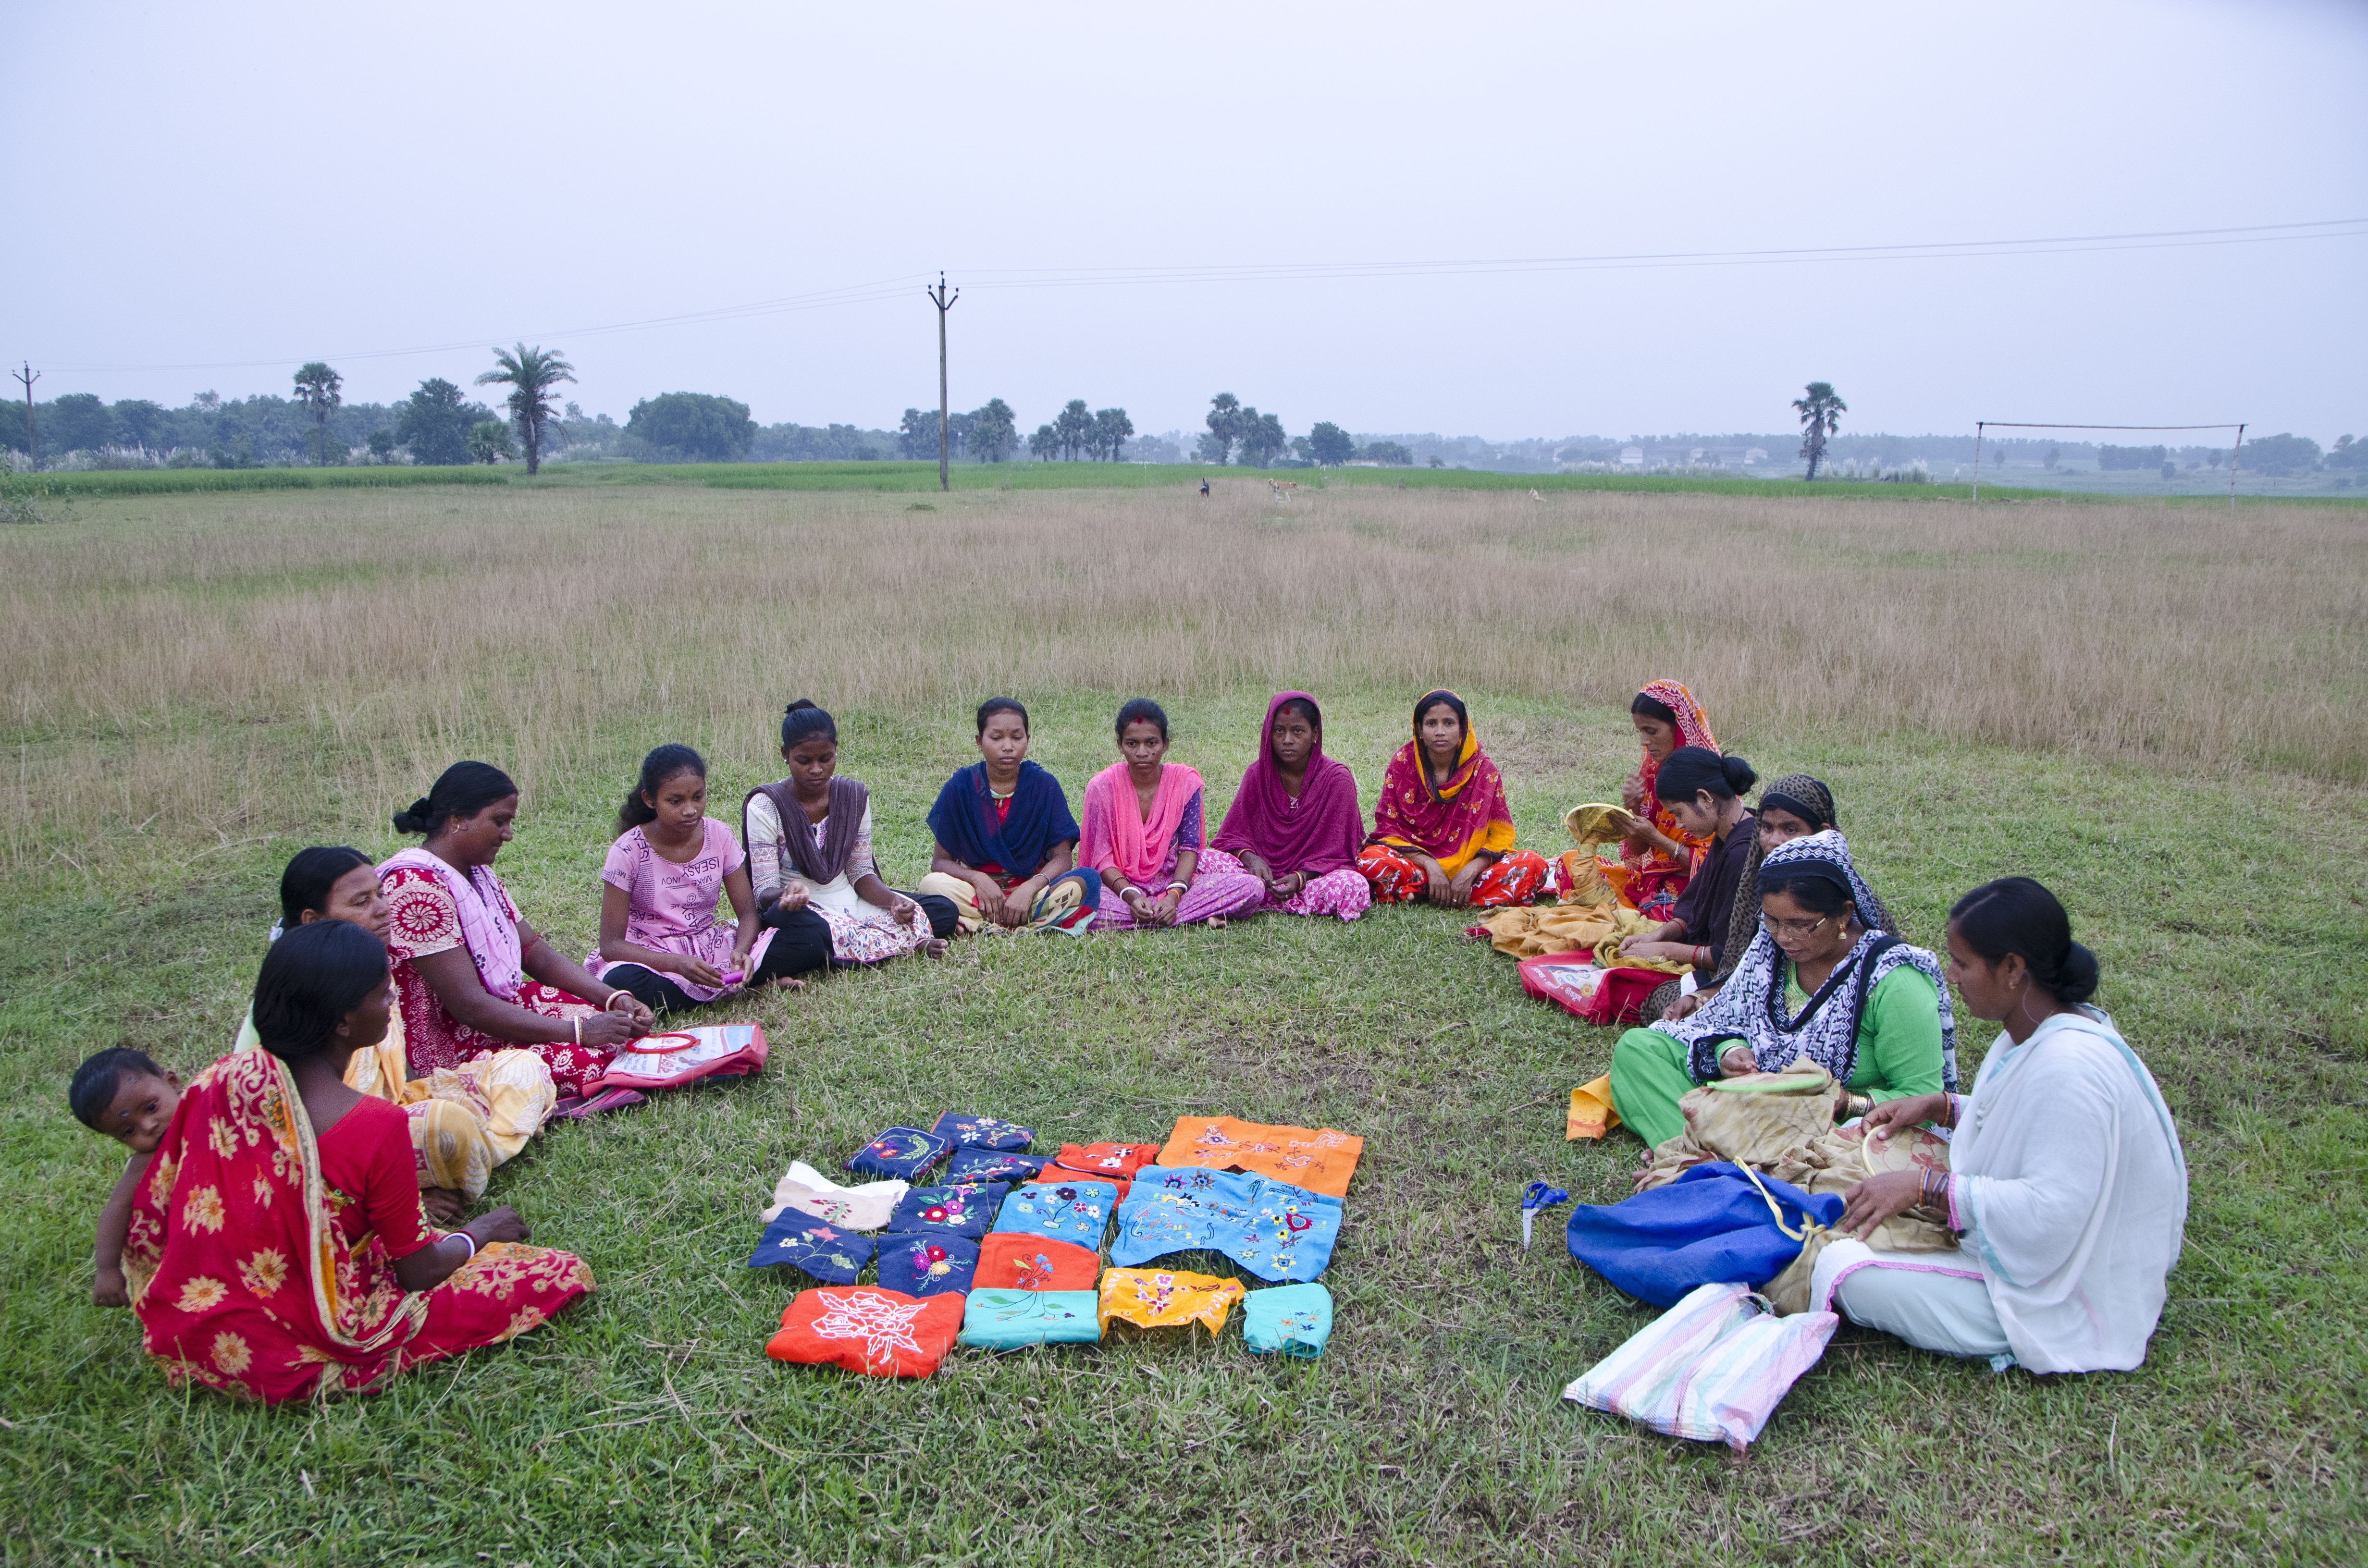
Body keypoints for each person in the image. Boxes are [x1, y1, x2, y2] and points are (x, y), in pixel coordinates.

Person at [124, 920, 592, 1403]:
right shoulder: (375, 1124)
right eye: (380, 994)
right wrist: (480, 1233)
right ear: (342, 1022)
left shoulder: (223, 1078)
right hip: (299, 1326)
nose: (392, 1001)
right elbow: (419, 1273)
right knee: (556, 1273)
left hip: (202, 1319)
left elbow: (167, 1194)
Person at [1818, 878, 2187, 1373]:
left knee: (1842, 1268)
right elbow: (2030, 1119)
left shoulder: (2070, 1066)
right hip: (2051, 1261)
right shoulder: (2043, 1028)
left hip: (2069, 1295)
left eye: (1963, 964)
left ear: (2012, 969)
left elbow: (2052, 1215)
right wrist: (1941, 1106)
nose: (1951, 976)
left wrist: (1924, 1187)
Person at [234, 846, 557, 1222]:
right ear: (312, 919)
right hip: (330, 1146)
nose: (383, 908)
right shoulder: (300, 991)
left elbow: (391, 1084)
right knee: (446, 1126)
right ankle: (410, 1181)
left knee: (523, 1069)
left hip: (386, 1114)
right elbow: (290, 1135)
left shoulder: (367, 965)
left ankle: (443, 1160)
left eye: (380, 895)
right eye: (361, 902)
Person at [1607, 830, 1956, 1150]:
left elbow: (1923, 1098)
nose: (1784, 937)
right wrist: (1730, 1051)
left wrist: (1844, 1101)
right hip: (1756, 1101)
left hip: (1831, 1126)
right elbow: (1727, 1020)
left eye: (1801, 925)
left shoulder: (1894, 980)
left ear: (1844, 915)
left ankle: (1703, 1159)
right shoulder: (1770, 949)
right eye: (1772, 921)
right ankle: (1708, 1156)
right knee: (1641, 1049)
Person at [381, 762, 654, 1099]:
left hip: (494, 1012)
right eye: (499, 821)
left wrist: (613, 998)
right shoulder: (415, 888)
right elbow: (468, 1006)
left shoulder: (477, 875)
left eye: (509, 822)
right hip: (448, 1042)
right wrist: (578, 1032)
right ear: (456, 819)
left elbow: (535, 953)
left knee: (622, 1033)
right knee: (595, 1062)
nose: (508, 834)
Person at [589, 744, 826, 1011]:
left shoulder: (719, 836)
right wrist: (677, 963)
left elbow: (749, 914)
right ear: (650, 799)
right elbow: (610, 946)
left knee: (811, 937)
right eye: (675, 801)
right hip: (651, 955)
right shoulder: (627, 851)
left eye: (698, 797)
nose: (690, 810)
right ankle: (742, 988)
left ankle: (730, 981)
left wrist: (743, 952)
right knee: (622, 982)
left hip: (709, 947)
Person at [1652, 773, 1897, 1024]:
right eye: (1767, 828)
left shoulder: (1849, 904)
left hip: (1835, 1014)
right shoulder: (1758, 885)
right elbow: (1741, 971)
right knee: (1668, 1003)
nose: (1774, 842)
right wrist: (1700, 998)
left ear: (1823, 833)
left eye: (1790, 829)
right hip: (1759, 1000)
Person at [743, 700, 955, 965]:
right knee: (808, 933)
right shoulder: (766, 805)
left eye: (826, 758)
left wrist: (893, 903)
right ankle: (900, 943)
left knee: (944, 910)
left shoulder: (852, 798)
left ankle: (842, 950)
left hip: (850, 900)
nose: (817, 769)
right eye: (804, 761)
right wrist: (788, 895)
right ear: (785, 754)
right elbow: (763, 892)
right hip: (801, 911)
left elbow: (860, 874)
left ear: (836, 751)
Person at [916, 698, 1101, 935]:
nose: (1008, 746)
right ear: (979, 742)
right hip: (979, 894)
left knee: (1088, 880)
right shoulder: (961, 787)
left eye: (1016, 737)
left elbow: (1063, 860)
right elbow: (940, 862)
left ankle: (978, 925)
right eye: (996, 738)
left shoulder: (1044, 785)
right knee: (931, 885)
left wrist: (1030, 888)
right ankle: (1010, 925)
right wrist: (978, 880)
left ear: (1028, 740)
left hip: (1033, 891)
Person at [1078, 698, 1265, 929]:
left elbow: (1189, 848)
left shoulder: (1185, 783)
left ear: (1166, 744)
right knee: (1080, 902)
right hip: (1120, 889)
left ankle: (1159, 915)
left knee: (1252, 888)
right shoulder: (1102, 787)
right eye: (1132, 744)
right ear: (1120, 745)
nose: (1143, 752)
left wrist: (1173, 897)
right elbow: (1102, 858)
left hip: (1176, 882)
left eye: (1151, 743)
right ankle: (1194, 915)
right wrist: (1131, 897)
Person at [1358, 690, 1549, 908]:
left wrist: (1470, 871)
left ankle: (1421, 893)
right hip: (1415, 862)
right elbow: (1388, 828)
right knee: (1370, 861)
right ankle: (1445, 892)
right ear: (1419, 729)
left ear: (1462, 729)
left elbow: (1500, 836)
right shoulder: (1403, 763)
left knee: (1533, 865)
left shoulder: (1484, 771)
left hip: (1469, 866)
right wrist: (1430, 865)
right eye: (1431, 724)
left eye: (1449, 723)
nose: (1440, 732)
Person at [1210, 692, 1372, 920]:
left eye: (1297, 731)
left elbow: (1340, 853)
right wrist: (1251, 859)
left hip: (1312, 881)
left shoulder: (1337, 779)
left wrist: (1300, 878)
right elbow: (1231, 837)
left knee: (1354, 886)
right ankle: (1254, 892)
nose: (1287, 740)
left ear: (1315, 734)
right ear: (1269, 734)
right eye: (1279, 731)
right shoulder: (1258, 774)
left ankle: (1253, 898)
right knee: (1204, 860)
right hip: (1259, 877)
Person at [1612, 747, 1759, 975]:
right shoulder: (1728, 834)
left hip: (1737, 976)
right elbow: (1693, 912)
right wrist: (1659, 935)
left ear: (1705, 799)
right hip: (1711, 957)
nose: (1679, 825)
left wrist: (1666, 950)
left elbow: (1729, 957)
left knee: (1645, 995)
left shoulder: (1743, 853)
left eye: (1678, 813)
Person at [1596, 681, 1719, 921]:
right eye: (1640, 732)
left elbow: (1710, 869)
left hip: (1693, 884)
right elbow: (1639, 850)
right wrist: (1632, 808)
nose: (1644, 741)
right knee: (1571, 865)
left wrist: (1657, 839)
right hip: (1653, 877)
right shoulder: (1654, 773)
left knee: (1663, 907)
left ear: (1680, 726)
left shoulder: (1710, 781)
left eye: (1651, 732)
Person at [68, 1048, 180, 1309]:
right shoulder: (146, 1162)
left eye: (152, 1107)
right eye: (129, 1131)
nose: (149, 1126)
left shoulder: (209, 1107)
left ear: (172, 1082)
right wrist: (106, 1269)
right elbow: (116, 1209)